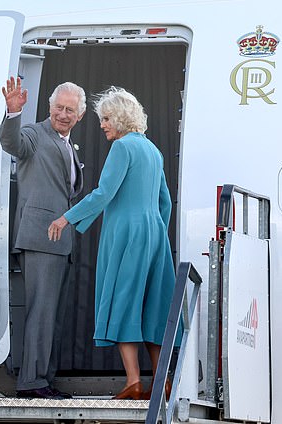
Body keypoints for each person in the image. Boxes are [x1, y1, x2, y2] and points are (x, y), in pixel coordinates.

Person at [48, 86, 176, 400]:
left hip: (125, 234)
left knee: (123, 301)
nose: (103, 125)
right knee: (154, 305)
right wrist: (155, 232)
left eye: (106, 118)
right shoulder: (152, 150)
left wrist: (67, 218)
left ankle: (133, 381)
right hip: (155, 234)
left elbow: (104, 193)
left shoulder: (122, 148)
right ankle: (164, 381)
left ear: (119, 118)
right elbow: (166, 203)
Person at [0, 77, 86, 400]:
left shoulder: (68, 145)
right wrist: (12, 114)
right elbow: (13, 144)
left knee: (53, 314)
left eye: (70, 110)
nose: (63, 114)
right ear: (50, 107)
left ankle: (44, 379)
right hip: (39, 237)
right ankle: (31, 382)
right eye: (59, 108)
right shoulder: (36, 134)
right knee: (41, 311)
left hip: (59, 241)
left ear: (80, 115)